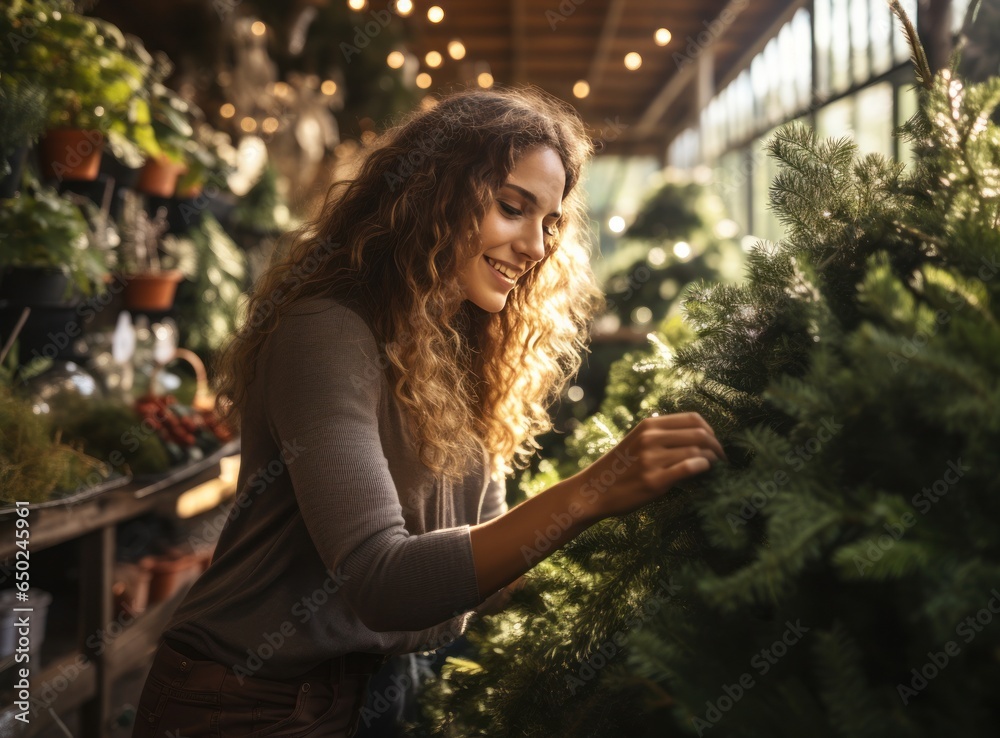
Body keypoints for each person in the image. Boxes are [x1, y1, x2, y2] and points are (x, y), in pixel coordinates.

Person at [131, 85, 726, 738]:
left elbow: (489, 572)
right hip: (243, 703)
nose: (535, 245)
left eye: (549, 222)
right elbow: (381, 581)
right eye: (512, 208)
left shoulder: (465, 346)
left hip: (374, 698)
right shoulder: (327, 332)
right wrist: (591, 491)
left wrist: (643, 574)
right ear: (431, 194)